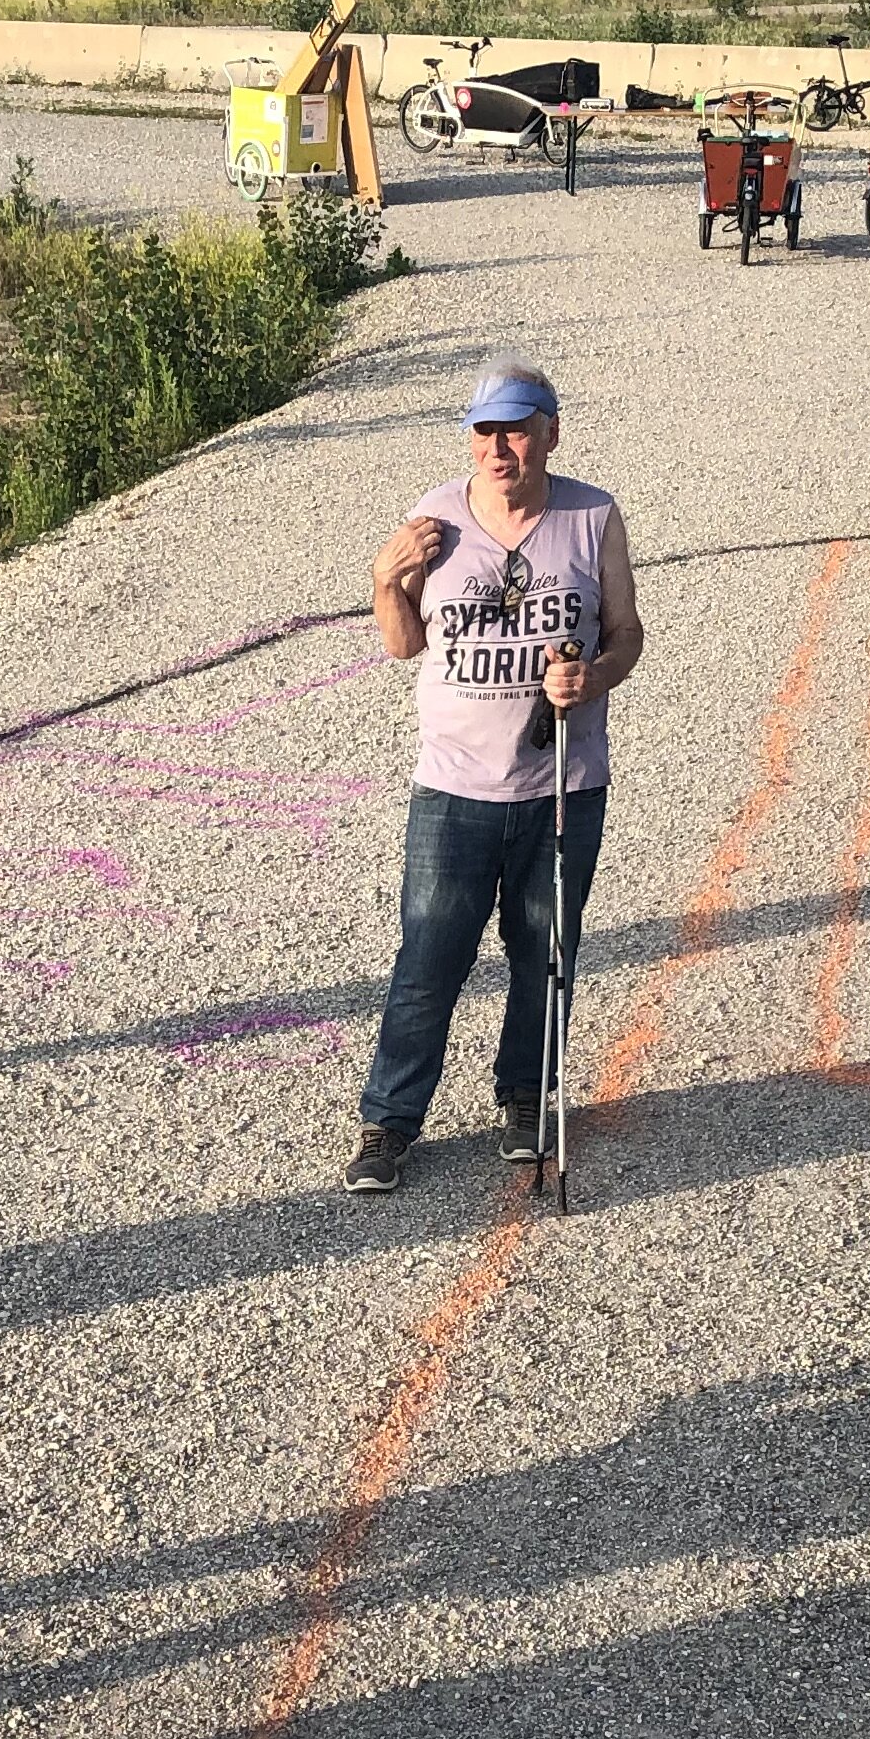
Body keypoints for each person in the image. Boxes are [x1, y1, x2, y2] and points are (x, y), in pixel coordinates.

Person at [345, 361, 646, 1194]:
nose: (500, 448)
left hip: (562, 782)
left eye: (517, 430)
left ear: (552, 432)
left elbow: (626, 632)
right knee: (429, 958)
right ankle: (389, 1122)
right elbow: (402, 643)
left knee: (545, 953)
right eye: (485, 432)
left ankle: (524, 1097)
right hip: (454, 788)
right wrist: (384, 580)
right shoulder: (435, 518)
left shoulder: (592, 516)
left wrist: (594, 676)